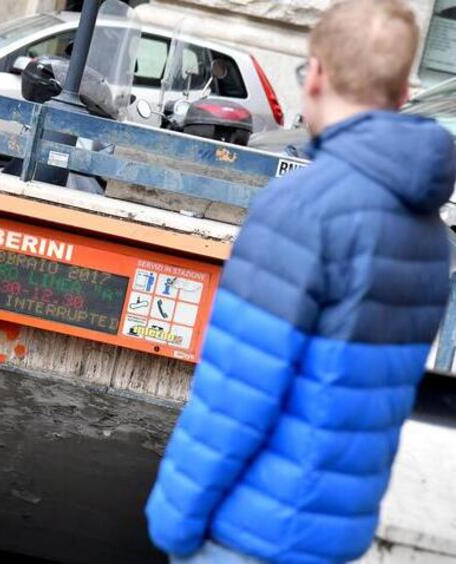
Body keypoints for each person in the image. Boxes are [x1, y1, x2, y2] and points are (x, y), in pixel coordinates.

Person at [145, 0, 456, 562]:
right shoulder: (430, 234)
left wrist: (172, 523)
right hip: (333, 540)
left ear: (316, 75)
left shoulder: (301, 209)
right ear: (403, 95)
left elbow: (237, 394)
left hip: (245, 534)